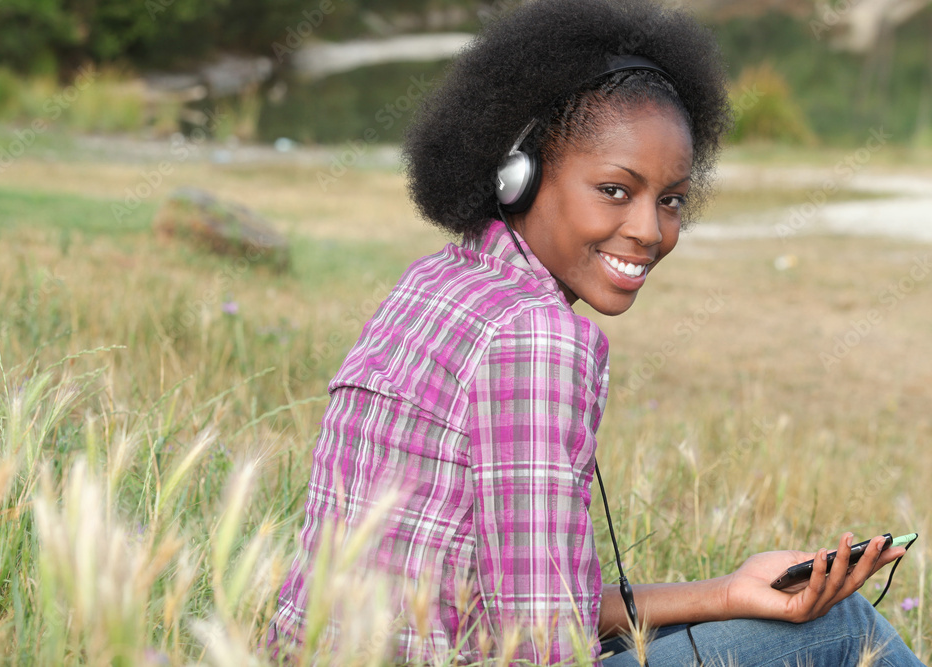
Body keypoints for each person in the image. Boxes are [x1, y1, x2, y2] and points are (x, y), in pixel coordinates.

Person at [269, 0, 924, 664]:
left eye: (670, 200)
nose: (649, 230)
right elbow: (542, 645)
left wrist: (730, 592)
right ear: (518, 175)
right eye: (615, 190)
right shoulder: (534, 337)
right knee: (845, 629)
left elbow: (515, 605)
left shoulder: (434, 281)